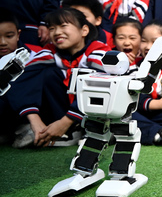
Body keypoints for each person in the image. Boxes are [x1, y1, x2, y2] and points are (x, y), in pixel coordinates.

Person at [8, 8, 110, 148]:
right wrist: (34, 119)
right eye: (51, 28)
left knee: (91, 79)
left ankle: (78, 130)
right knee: (46, 74)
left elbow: (100, 89)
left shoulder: (99, 50)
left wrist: (65, 122)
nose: (57, 32)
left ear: (84, 30)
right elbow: (21, 79)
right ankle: (43, 129)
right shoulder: (50, 51)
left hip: (96, 114)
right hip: (64, 113)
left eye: (63, 26)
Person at [0, 9, 42, 146]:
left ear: (18, 34)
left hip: (28, 112)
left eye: (9, 36)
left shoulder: (36, 54)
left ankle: (26, 127)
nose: (2, 42)